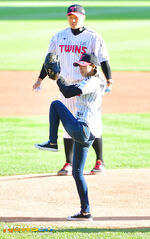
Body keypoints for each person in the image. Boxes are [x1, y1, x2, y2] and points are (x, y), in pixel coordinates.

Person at [33, 4, 113, 176]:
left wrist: (109, 79)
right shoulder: (59, 36)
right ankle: (68, 163)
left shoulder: (93, 37)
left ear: (83, 17)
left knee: (92, 123)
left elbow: (103, 59)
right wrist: (40, 78)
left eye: (76, 16)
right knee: (67, 124)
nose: (73, 19)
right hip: (66, 85)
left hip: (87, 85)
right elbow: (50, 60)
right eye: (70, 16)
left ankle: (100, 161)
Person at [35, 53, 106, 221]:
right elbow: (71, 89)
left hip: (83, 129)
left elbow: (67, 93)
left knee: (56, 104)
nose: (81, 68)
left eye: (84, 65)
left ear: (93, 67)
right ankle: (85, 211)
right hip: (89, 133)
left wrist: (58, 77)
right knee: (77, 172)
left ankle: (53, 142)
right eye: (79, 65)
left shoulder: (93, 81)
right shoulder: (94, 80)